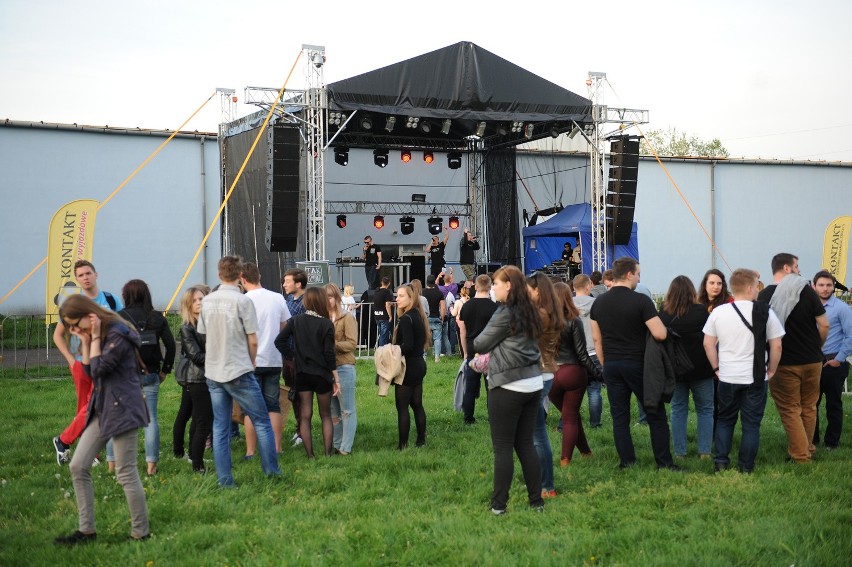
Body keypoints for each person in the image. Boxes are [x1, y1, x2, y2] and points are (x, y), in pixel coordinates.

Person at [54, 295, 149, 545]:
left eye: (77, 324)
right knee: (78, 466)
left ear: (90, 314)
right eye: (72, 328)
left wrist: (93, 338)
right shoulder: (94, 334)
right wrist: (86, 342)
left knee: (125, 472)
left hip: (124, 408)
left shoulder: (117, 333)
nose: (76, 330)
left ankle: (141, 534)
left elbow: (100, 370)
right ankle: (87, 532)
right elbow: (88, 374)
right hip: (103, 407)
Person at [198, 256, 281, 486]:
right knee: (262, 420)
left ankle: (225, 479)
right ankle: (272, 472)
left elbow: (204, 333)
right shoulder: (243, 302)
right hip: (239, 368)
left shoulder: (207, 301)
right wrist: (252, 361)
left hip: (214, 370)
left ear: (219, 275)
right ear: (239, 277)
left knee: (220, 426)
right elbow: (253, 340)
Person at [590, 257, 677, 470]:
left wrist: (605, 364)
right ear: (629, 274)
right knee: (655, 413)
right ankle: (664, 463)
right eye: (638, 273)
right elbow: (659, 333)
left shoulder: (598, 303)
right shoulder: (641, 301)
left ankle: (626, 462)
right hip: (638, 365)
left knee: (620, 417)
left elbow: (596, 340)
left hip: (611, 365)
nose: (639, 277)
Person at [473, 265, 545, 515]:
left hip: (508, 384)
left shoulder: (505, 313)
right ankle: (536, 501)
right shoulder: (532, 310)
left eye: (496, 283)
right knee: (525, 444)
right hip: (533, 383)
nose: (493, 288)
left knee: (503, 447)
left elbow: (480, 342)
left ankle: (499, 505)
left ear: (509, 286)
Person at [703, 269, 784, 473]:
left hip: (728, 375)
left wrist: (716, 367)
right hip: (755, 376)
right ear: (749, 288)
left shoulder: (719, 312)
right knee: (751, 424)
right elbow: (776, 346)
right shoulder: (765, 312)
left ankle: (721, 461)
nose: (759, 288)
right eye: (757, 284)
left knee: (725, 419)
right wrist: (771, 370)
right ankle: (746, 466)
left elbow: (707, 343)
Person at [757, 253, 829, 463]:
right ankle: (807, 448)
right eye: (796, 266)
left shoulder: (766, 295)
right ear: (787, 268)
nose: (799, 270)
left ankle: (800, 455)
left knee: (790, 409)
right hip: (813, 360)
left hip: (784, 362)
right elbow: (824, 325)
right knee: (808, 407)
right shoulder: (807, 291)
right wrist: (818, 346)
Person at [52, 260, 123, 466]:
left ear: (96, 274)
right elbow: (58, 335)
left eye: (88, 273)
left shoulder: (110, 299)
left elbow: (122, 325)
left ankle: (65, 441)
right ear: (77, 279)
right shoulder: (74, 304)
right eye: (81, 275)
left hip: (106, 361)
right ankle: (84, 449)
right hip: (82, 363)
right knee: (86, 406)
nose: (85, 277)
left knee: (96, 405)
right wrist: (70, 359)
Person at [111, 279, 176, 476]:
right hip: (151, 373)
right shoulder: (157, 317)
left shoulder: (119, 317)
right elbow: (171, 345)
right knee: (151, 419)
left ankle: (112, 464)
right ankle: (151, 467)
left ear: (126, 296)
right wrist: (165, 370)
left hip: (124, 376)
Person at [275, 287, 341, 458]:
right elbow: (329, 353)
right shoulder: (326, 324)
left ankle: (310, 455)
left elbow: (279, 340)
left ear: (307, 302)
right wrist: (336, 377)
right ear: (320, 301)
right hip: (322, 374)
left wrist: (293, 356)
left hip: (302, 372)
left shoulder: (296, 321)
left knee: (305, 415)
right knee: (325, 414)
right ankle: (327, 454)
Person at [658, 276, 714, 459]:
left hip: (675, 370)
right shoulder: (701, 312)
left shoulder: (663, 314)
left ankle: (680, 452)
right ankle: (704, 451)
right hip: (701, 369)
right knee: (705, 409)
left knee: (678, 409)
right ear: (692, 291)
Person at [241, 262, 291, 455]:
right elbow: (284, 326)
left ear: (243, 280)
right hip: (273, 358)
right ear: (259, 276)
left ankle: (251, 451)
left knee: (250, 408)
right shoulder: (277, 298)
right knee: (273, 405)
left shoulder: (244, 300)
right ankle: (277, 448)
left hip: (250, 360)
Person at [551, 281, 601, 467]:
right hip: (572, 372)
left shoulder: (543, 321)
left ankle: (586, 452)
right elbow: (582, 354)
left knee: (570, 415)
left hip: (550, 375)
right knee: (570, 416)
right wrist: (598, 374)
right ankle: (565, 460)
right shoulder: (574, 320)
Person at [526, 272, 564, 499]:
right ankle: (541, 481)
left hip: (538, 375)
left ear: (537, 291)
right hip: (545, 373)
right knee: (535, 433)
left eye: (528, 290)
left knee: (537, 435)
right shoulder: (550, 312)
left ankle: (546, 485)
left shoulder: (539, 315)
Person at [174, 284, 213, 473]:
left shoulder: (209, 322)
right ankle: (198, 466)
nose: (199, 302)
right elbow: (196, 356)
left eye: (201, 299)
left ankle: (195, 457)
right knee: (202, 422)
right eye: (195, 300)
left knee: (200, 420)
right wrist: (220, 353)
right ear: (188, 305)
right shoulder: (187, 328)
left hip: (211, 376)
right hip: (198, 379)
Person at [811, 270, 852, 450]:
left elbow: (850, 336)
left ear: (834, 286)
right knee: (811, 404)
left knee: (834, 404)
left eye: (829, 285)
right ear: (814, 286)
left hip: (834, 362)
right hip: (812, 363)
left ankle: (832, 443)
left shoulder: (842, 308)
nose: (825, 288)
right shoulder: (808, 306)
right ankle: (812, 440)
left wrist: (839, 359)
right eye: (821, 285)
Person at [392, 283, 430, 449]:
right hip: (419, 364)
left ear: (411, 298)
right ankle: (421, 441)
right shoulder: (417, 316)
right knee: (417, 404)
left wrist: (391, 350)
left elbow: (407, 345)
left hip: (408, 366)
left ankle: (402, 445)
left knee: (402, 407)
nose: (397, 299)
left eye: (401, 296)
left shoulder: (406, 319)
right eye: (397, 295)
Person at [458, 275, 499, 424]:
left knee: (470, 386)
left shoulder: (466, 306)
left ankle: (468, 418)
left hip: (472, 350)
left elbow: (463, 331)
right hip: (491, 351)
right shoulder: (495, 307)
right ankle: (493, 417)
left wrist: (465, 352)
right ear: (490, 287)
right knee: (492, 387)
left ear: (475, 286)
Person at [326, 283, 358, 455]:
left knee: (347, 409)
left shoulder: (347, 317)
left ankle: (346, 448)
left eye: (330, 297)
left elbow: (352, 343)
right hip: (328, 369)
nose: (327, 301)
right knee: (333, 411)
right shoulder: (323, 317)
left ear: (337, 298)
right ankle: (337, 445)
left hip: (344, 367)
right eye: (325, 298)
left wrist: (332, 345)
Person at [571, 274, 603, 428]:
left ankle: (567, 423)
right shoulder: (597, 304)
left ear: (573, 287)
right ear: (589, 285)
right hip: (593, 351)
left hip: (574, 354)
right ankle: (595, 423)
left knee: (571, 393)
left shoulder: (567, 305)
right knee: (594, 390)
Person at [282, 268, 307, 447]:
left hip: (303, 355)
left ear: (298, 284)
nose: (284, 284)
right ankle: (299, 427)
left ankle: (303, 432)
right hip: (288, 355)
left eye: (287, 281)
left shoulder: (308, 302)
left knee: (303, 394)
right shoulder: (288, 300)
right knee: (293, 394)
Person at [422, 276, 446, 362]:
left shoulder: (422, 292)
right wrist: (442, 318)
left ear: (427, 282)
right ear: (434, 283)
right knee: (437, 339)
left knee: (424, 338)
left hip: (425, 318)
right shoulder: (439, 293)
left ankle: (423, 357)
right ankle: (437, 358)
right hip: (436, 318)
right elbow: (443, 308)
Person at [371, 276, 394, 347]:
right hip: (384, 316)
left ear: (381, 282)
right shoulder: (386, 292)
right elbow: (387, 305)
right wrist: (390, 316)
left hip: (377, 315)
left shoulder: (376, 291)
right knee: (384, 335)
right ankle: (382, 350)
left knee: (381, 333)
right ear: (389, 283)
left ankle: (381, 349)